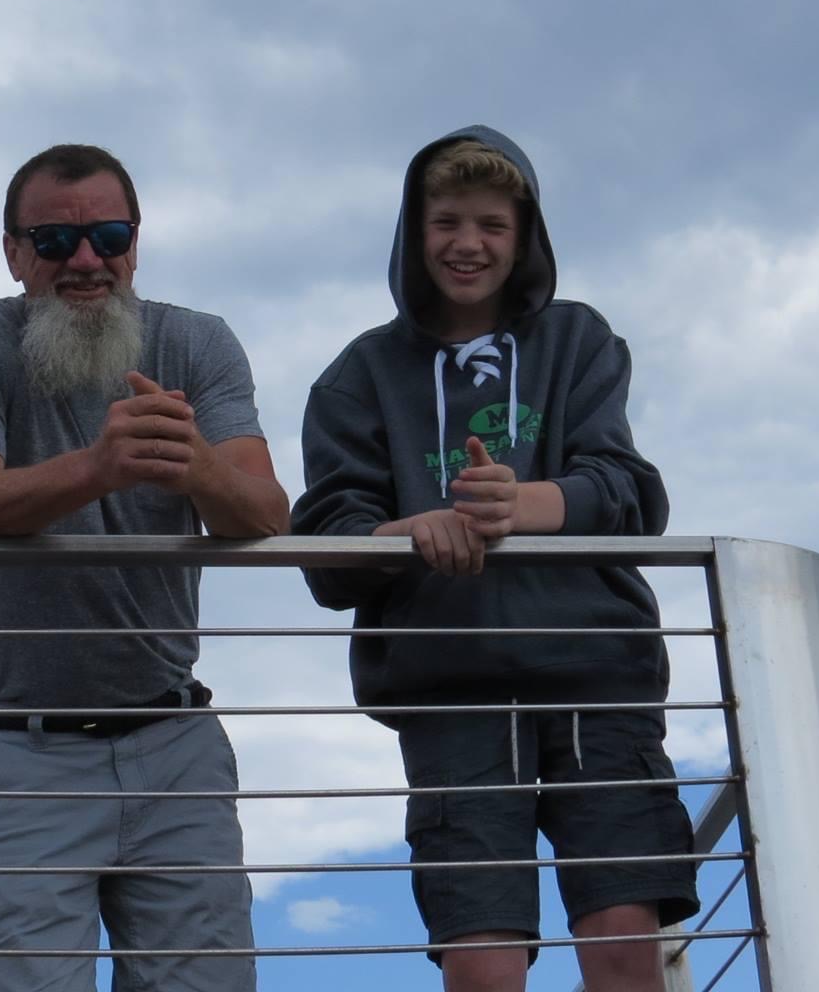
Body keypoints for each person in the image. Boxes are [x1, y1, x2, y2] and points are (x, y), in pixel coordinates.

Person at [290, 127, 699, 991]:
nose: (467, 244)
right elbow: (328, 549)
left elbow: (627, 490)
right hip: (451, 686)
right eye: (446, 222)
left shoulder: (579, 339)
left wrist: (524, 505)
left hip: (596, 673)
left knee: (623, 942)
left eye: (492, 225)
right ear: (414, 232)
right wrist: (416, 532)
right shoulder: (356, 376)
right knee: (482, 961)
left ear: (524, 238)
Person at [0, 143, 288, 992]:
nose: (86, 260)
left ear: (136, 243)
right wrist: (99, 466)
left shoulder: (197, 342)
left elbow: (267, 513)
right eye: (55, 241)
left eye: (109, 236)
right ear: (13, 253)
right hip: (20, 752)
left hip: (175, 741)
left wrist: (195, 464)